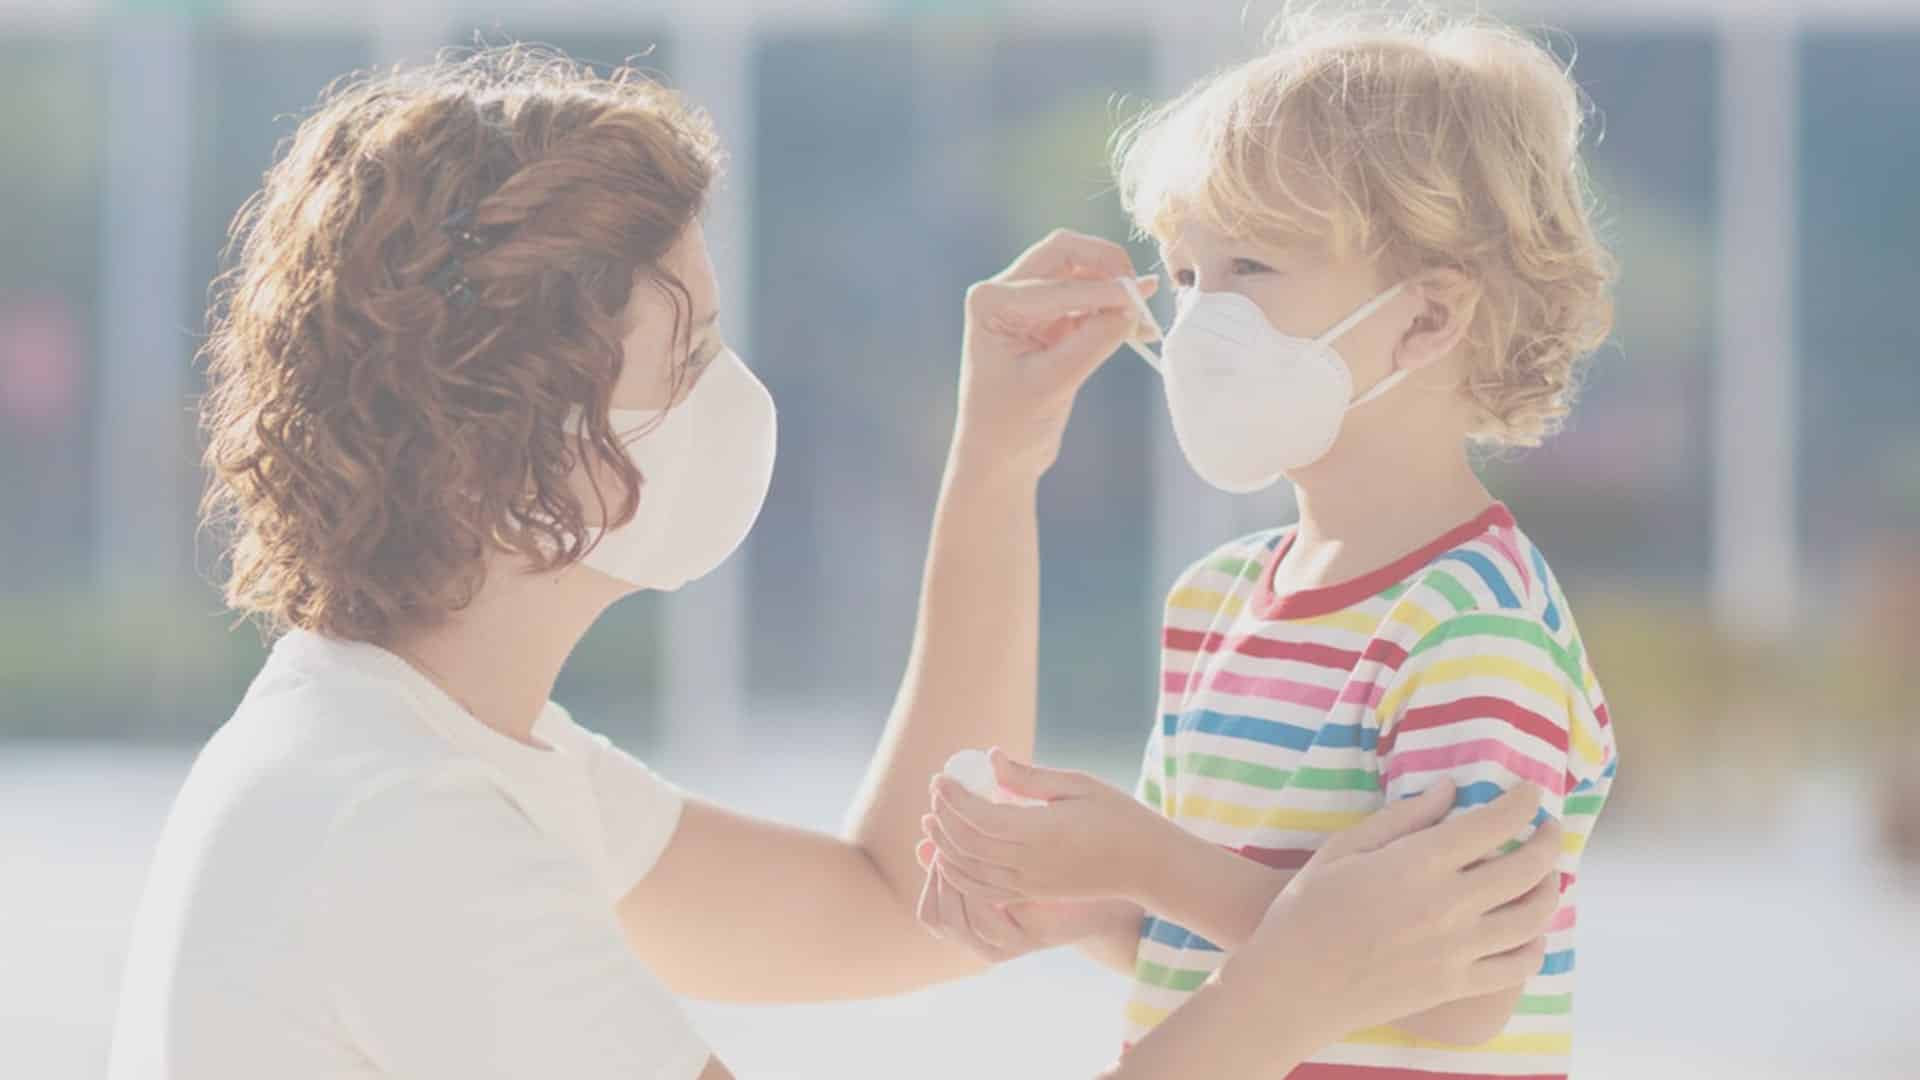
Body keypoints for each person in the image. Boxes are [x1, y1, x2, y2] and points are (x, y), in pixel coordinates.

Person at [107, 45, 1563, 1079]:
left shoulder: (446, 752)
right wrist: (1297, 975)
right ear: (527, 449)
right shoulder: (410, 835)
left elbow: (889, 905)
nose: (740, 397)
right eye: (692, 354)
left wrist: (996, 465)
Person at [919, 10, 1620, 1079]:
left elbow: (1462, 988)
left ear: (1428, 319)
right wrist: (1082, 902)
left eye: (1249, 265)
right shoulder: (1217, 601)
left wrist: (1143, 858)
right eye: (1186, 274)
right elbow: (1220, 932)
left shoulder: (1472, 631)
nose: (1200, 319)